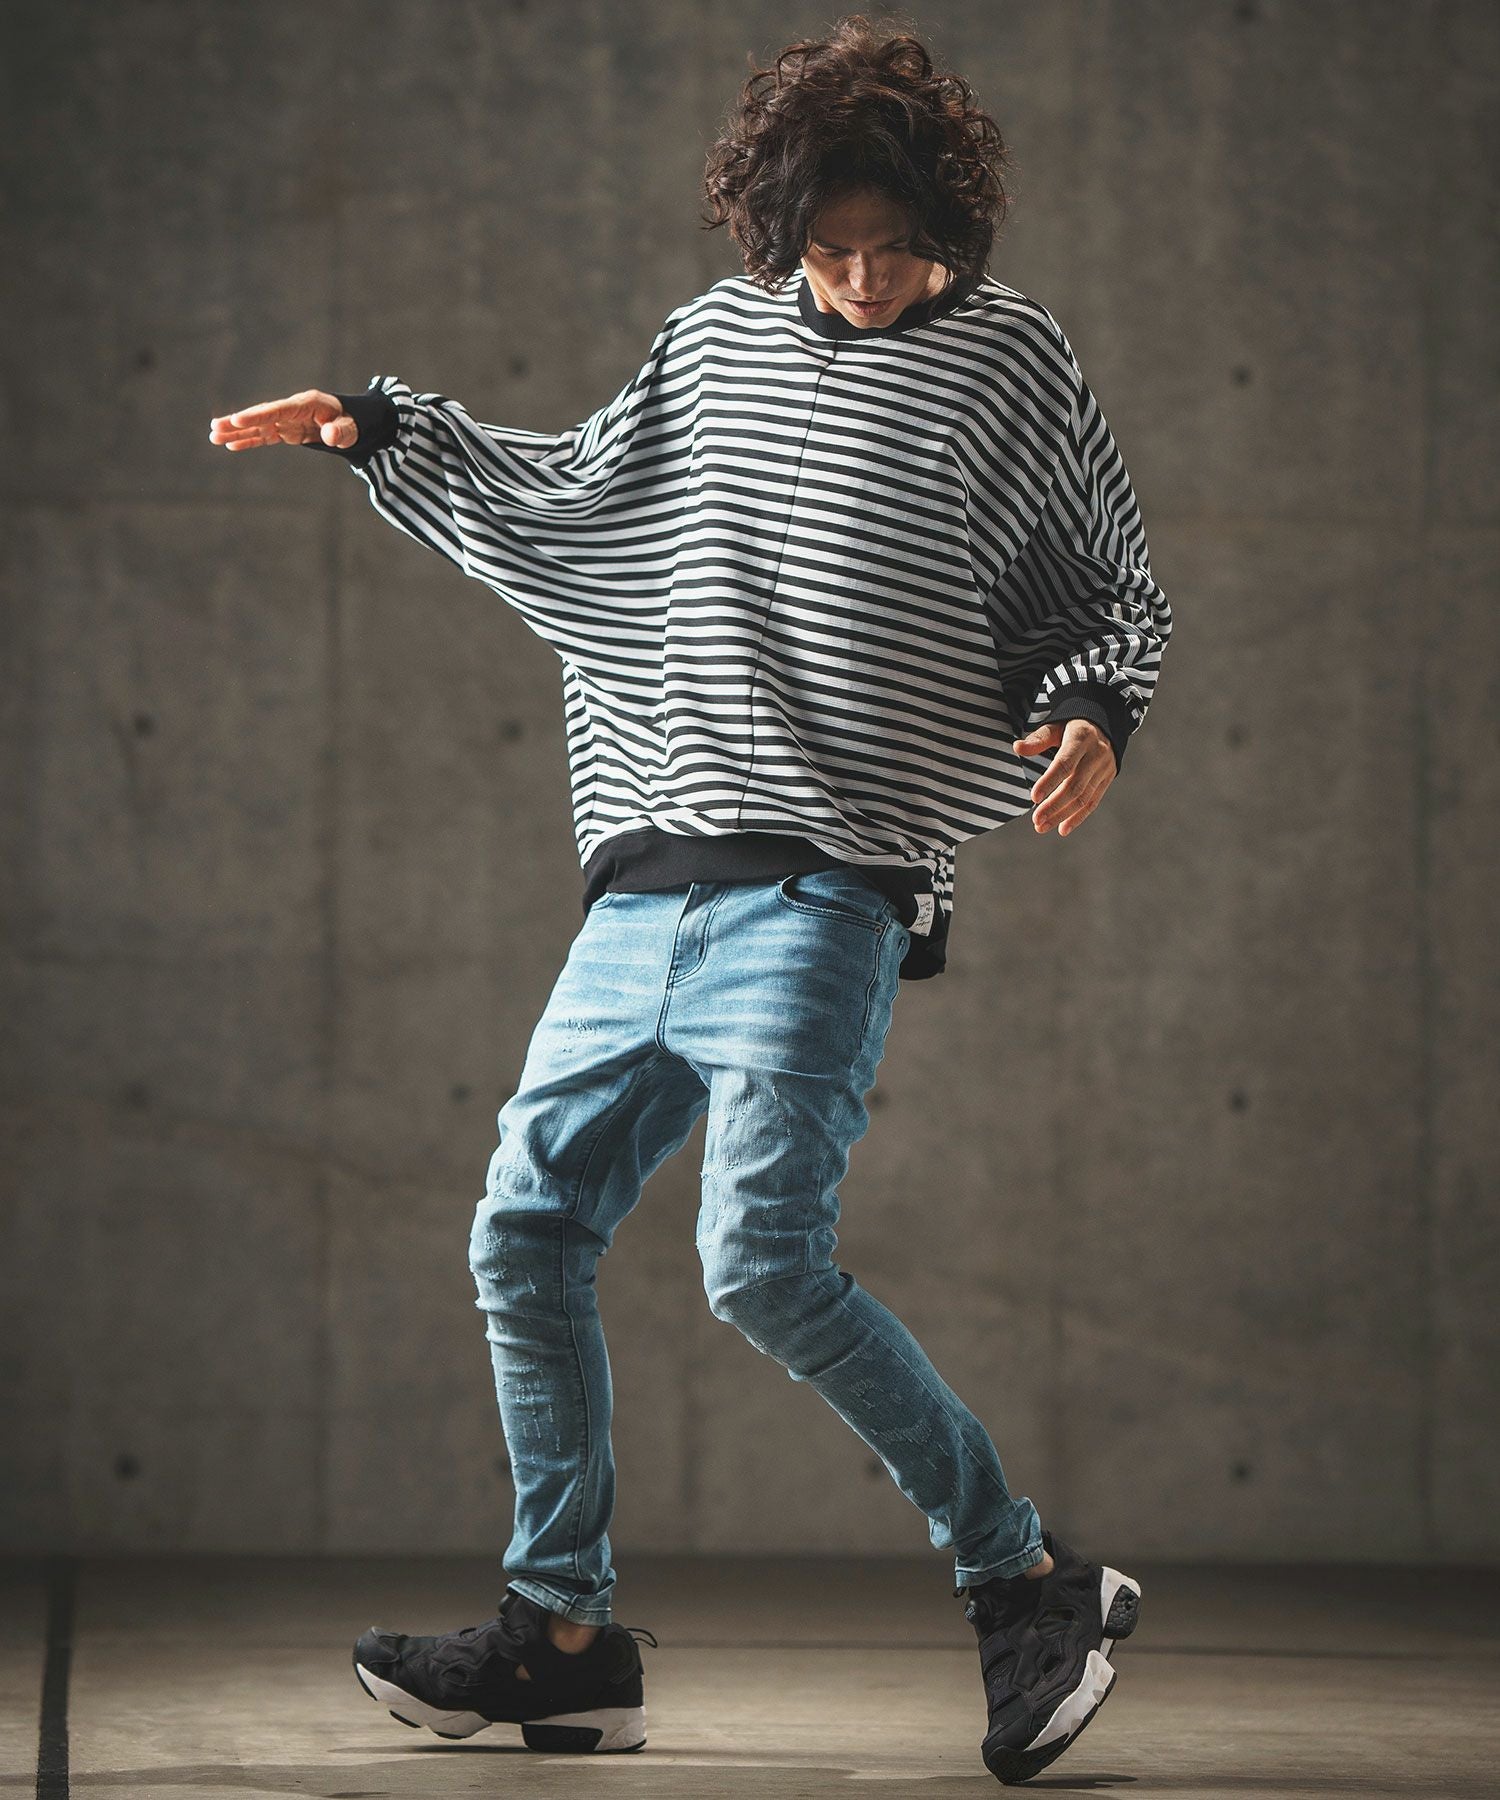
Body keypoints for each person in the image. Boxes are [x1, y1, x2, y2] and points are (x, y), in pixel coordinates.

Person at [209, 12, 1164, 1784]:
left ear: (949, 222)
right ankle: (561, 1638)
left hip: (826, 884)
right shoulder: (715, 342)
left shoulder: (1009, 358)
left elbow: (1099, 580)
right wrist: (385, 430)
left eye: (897, 248)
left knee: (761, 1263)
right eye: (831, 249)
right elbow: (585, 501)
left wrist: (1095, 708)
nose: (863, 281)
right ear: (778, 229)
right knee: (525, 1233)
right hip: (648, 877)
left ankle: (1024, 1576)